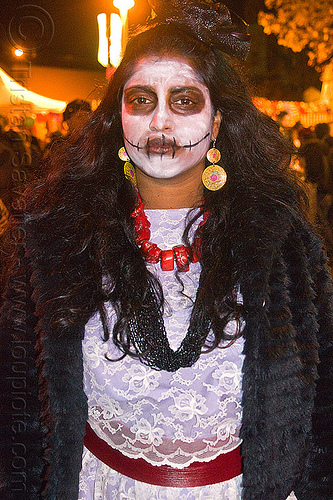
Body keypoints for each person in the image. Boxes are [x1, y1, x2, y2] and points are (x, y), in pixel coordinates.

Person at [0, 1, 332, 499]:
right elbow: (17, 410)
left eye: (182, 101)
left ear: (217, 122)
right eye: (140, 100)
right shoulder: (53, 240)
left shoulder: (282, 242)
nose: (159, 123)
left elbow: (322, 404)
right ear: (117, 120)